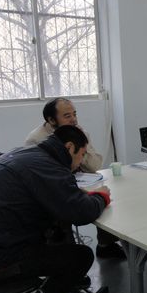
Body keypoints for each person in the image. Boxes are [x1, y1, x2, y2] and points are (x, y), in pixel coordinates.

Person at [0, 126, 111, 293]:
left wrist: (74, 194)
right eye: (81, 155)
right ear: (70, 147)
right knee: (79, 257)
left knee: (47, 237)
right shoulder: (49, 168)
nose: (80, 162)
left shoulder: (26, 154)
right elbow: (82, 213)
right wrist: (102, 197)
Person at [24, 98, 124, 259]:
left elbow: (95, 165)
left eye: (74, 114)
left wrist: (80, 146)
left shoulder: (78, 133)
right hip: (53, 186)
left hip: (80, 180)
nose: (74, 120)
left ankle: (106, 244)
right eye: (67, 116)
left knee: (103, 193)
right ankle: (65, 254)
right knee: (64, 207)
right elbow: (42, 177)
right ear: (51, 120)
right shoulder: (36, 139)